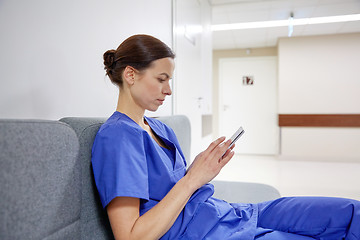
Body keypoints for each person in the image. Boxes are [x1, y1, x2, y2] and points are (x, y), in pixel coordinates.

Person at [91, 34, 360, 240]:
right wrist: (193, 178)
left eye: (170, 80)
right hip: (209, 233)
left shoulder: (160, 129)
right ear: (130, 74)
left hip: (233, 213)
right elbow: (130, 235)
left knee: (349, 212)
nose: (169, 90)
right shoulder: (117, 137)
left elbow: (179, 187)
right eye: (161, 79)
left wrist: (202, 168)